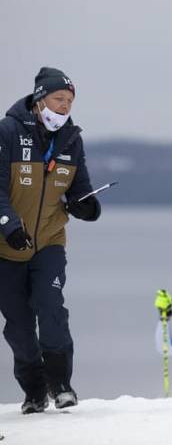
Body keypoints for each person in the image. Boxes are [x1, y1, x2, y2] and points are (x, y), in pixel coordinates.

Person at [0, 67, 101, 414]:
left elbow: (80, 189)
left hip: (49, 242)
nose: (64, 107)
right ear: (40, 98)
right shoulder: (8, 131)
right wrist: (8, 224)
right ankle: (34, 390)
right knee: (19, 325)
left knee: (50, 307)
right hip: (7, 246)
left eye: (69, 101)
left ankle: (61, 385)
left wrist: (86, 206)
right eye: (59, 99)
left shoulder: (72, 139)